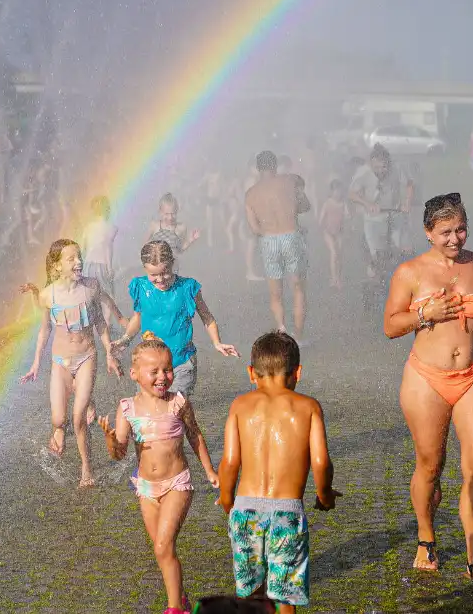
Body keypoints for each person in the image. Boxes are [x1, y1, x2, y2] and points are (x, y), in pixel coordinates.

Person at [382, 192, 473, 587]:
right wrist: (424, 313)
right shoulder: (410, 272)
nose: (455, 238)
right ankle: (426, 538)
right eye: (445, 232)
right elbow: (390, 325)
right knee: (430, 466)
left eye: (460, 229)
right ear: (428, 233)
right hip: (426, 378)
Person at [217, 331, 338, 614]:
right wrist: (325, 495)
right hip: (287, 511)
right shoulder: (308, 408)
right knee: (284, 595)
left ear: (251, 372)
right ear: (297, 372)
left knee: (251, 593)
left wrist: (226, 499)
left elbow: (230, 462)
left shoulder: (240, 406)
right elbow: (321, 463)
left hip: (246, 509)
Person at [99, 337, 219, 614]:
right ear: (135, 374)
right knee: (161, 551)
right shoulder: (127, 408)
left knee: (164, 545)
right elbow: (119, 454)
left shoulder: (178, 402)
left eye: (167, 370)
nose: (162, 377)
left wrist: (210, 470)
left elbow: (195, 435)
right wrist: (110, 441)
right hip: (146, 489)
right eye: (154, 372)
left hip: (177, 483)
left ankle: (175, 608)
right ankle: (182, 598)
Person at [21, 239, 122, 487]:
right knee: (58, 419)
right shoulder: (49, 295)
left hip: (87, 356)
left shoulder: (90, 288)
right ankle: (63, 423)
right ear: (57, 267)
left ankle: (86, 468)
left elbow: (99, 323)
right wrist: (35, 364)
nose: (79, 262)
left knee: (78, 418)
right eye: (72, 259)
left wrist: (109, 352)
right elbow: (44, 331)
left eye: (79, 257)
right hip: (60, 363)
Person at [112, 240, 239, 396]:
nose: (160, 279)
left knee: (176, 410)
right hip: (150, 361)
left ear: (172, 263)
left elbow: (207, 318)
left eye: (165, 272)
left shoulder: (187, 288)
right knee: (149, 408)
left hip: (181, 362)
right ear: (144, 269)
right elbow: (138, 318)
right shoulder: (140, 287)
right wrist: (125, 339)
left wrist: (217, 342)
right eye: (153, 275)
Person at [245, 151, 311, 339]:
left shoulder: (250, 194)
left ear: (258, 169)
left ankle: (282, 329)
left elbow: (255, 228)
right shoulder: (289, 181)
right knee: (298, 287)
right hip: (291, 235)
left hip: (268, 240)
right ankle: (298, 335)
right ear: (275, 166)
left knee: (276, 293)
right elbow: (305, 206)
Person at [348, 144, 412, 278]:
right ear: (371, 163)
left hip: (394, 214)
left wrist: (406, 203)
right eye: (376, 168)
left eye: (384, 167)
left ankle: (396, 278)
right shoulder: (363, 172)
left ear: (388, 163)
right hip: (373, 219)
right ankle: (375, 281)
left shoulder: (397, 168)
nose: (381, 171)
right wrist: (367, 204)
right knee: (376, 254)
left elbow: (409, 184)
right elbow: (352, 194)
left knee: (398, 249)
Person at [80, 195, 125, 323]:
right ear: (108, 210)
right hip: (102, 265)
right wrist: (111, 268)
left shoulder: (88, 228)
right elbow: (108, 250)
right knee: (108, 296)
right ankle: (107, 323)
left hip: (88, 265)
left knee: (88, 295)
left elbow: (83, 249)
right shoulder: (112, 228)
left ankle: (85, 323)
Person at [318, 178, 347, 288]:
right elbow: (321, 218)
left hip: (339, 232)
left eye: (339, 191)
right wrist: (322, 227)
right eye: (335, 190)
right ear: (331, 191)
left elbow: (347, 216)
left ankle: (338, 278)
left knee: (339, 255)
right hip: (328, 232)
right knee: (334, 253)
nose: (337, 193)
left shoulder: (343, 204)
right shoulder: (327, 203)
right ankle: (334, 278)